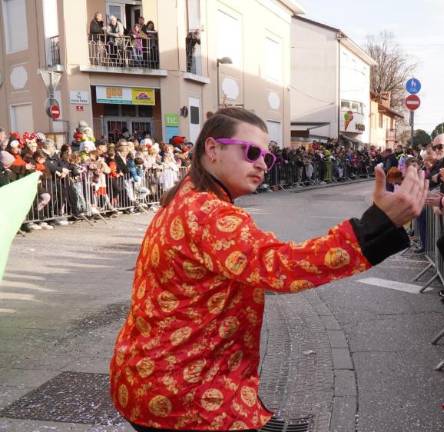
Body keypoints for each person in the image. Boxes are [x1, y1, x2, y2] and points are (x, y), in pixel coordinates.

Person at [109, 108, 426, 431]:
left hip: (153, 381)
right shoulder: (209, 213)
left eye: (267, 157)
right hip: (187, 396)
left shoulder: (185, 199)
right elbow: (282, 267)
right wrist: (376, 226)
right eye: (251, 152)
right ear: (213, 149)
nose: (261, 163)